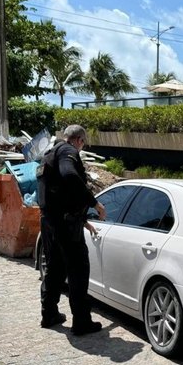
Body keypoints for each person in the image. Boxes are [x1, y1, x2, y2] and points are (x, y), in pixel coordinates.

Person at [37, 125, 106, 335]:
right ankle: (81, 322)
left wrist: (83, 221)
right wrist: (95, 203)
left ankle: (49, 314)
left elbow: (59, 195)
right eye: (83, 143)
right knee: (78, 270)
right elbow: (69, 176)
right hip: (65, 226)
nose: (81, 147)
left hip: (50, 222)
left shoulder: (49, 154)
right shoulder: (68, 151)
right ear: (78, 140)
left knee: (55, 269)